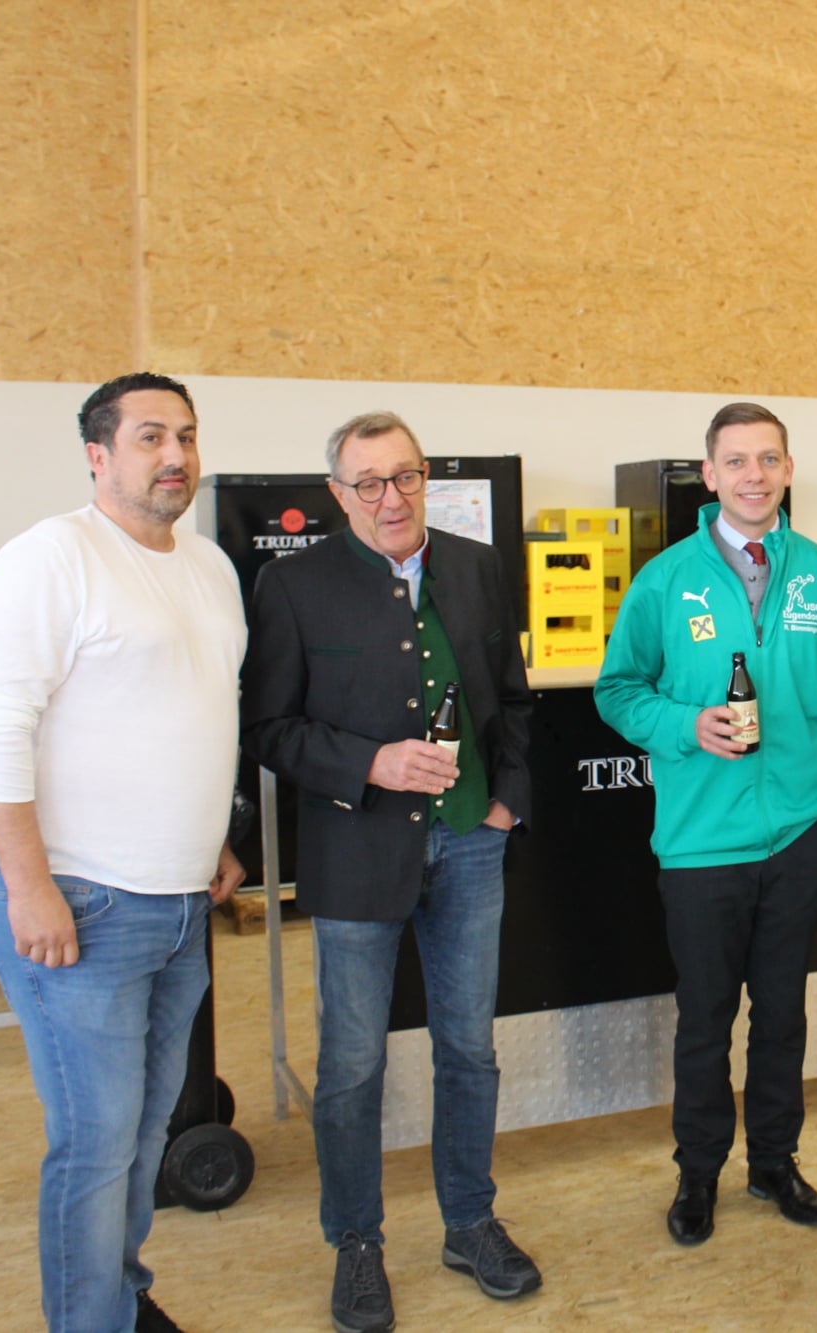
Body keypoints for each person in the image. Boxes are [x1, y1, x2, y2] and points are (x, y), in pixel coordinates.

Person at [0, 372, 247, 1333]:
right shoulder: (53, 557)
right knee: (95, 1141)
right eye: (150, 436)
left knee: (143, 1130)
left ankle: (118, 1297)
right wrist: (29, 884)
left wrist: (212, 837)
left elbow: (192, 708)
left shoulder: (208, 566)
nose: (175, 455)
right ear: (97, 455)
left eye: (187, 436)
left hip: (179, 902)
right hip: (79, 901)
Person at [241, 411, 540, 1332]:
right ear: (339, 495)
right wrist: (370, 762)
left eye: (405, 476)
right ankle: (357, 1243)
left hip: (471, 844)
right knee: (352, 1062)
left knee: (469, 1048)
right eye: (368, 483)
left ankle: (470, 1222)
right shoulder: (293, 585)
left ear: (426, 479)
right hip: (356, 853)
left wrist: (506, 801)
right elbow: (270, 729)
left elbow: (513, 700)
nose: (391, 498)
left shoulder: (477, 566)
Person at [595, 401, 817, 1246]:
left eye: (769, 459)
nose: (755, 475)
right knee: (706, 1018)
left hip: (802, 835)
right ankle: (699, 1172)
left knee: (782, 1013)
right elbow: (618, 690)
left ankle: (775, 1162)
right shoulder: (665, 580)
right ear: (710, 474)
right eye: (737, 461)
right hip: (701, 843)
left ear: (788, 469)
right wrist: (687, 725)